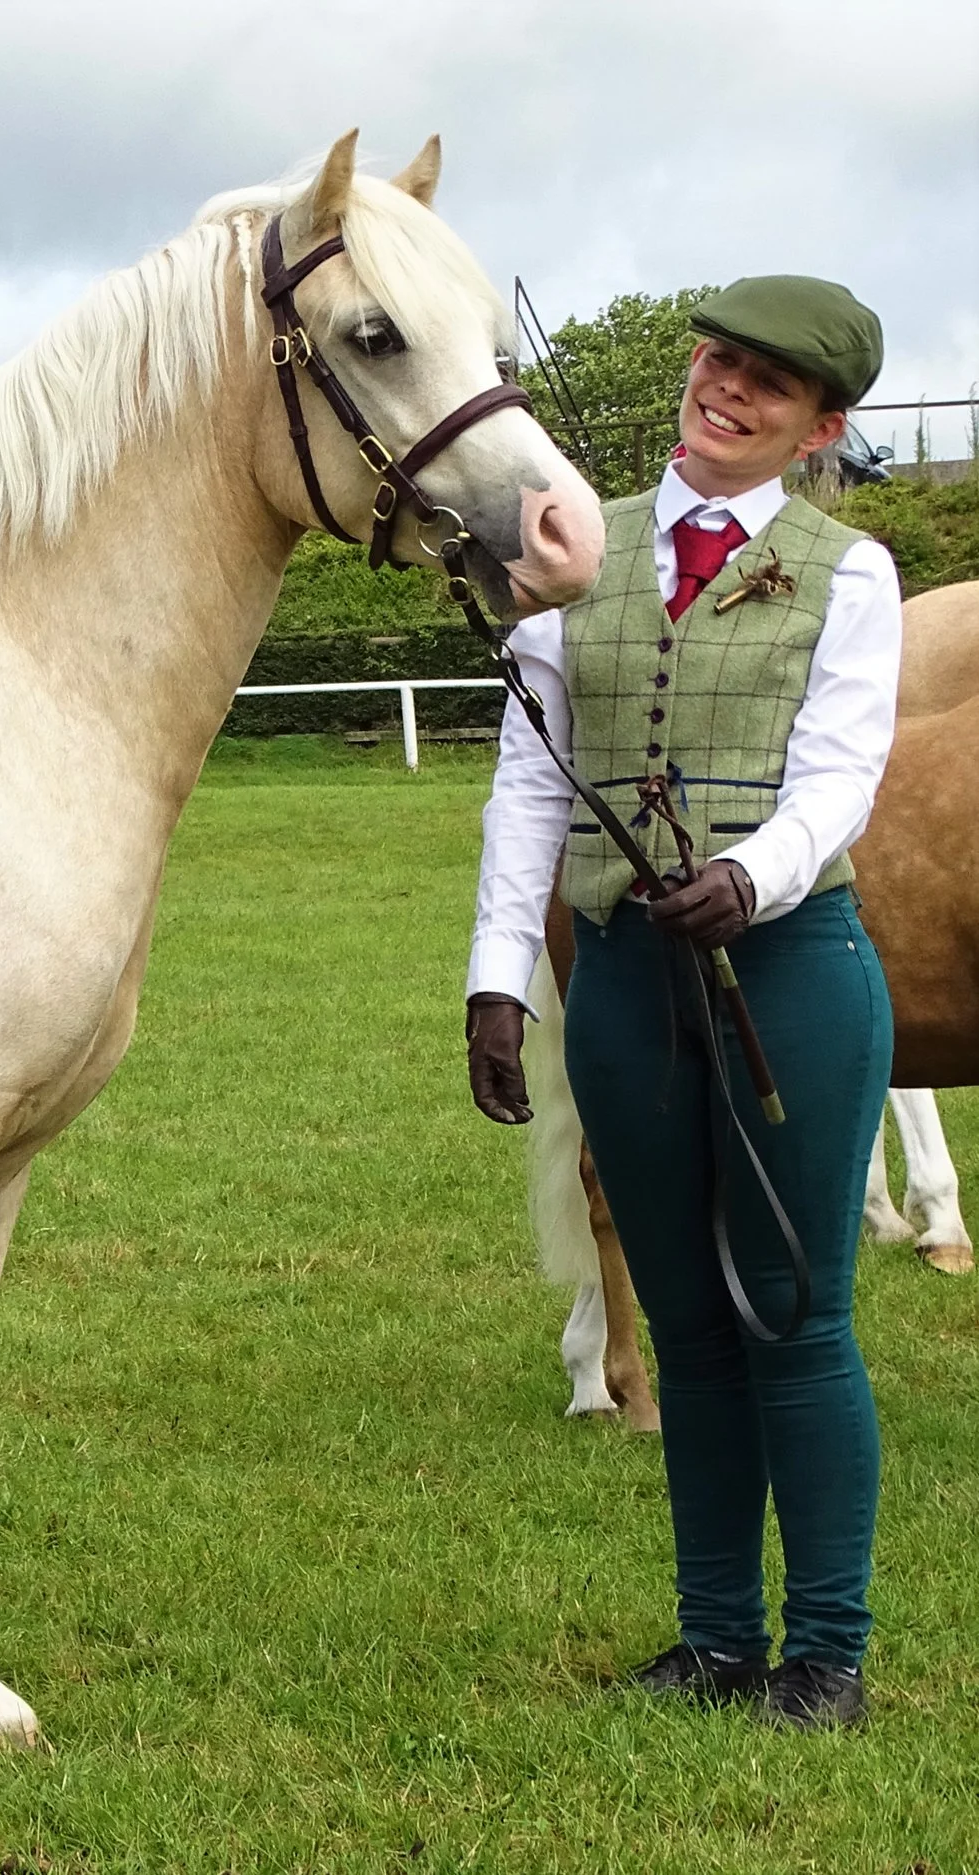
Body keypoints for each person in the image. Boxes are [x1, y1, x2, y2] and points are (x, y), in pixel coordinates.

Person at [463, 278, 900, 1731]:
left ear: (819, 426)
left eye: (768, 384)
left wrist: (754, 873)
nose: (725, 389)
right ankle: (717, 1637)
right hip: (630, 987)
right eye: (717, 359)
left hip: (790, 978)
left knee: (795, 1312)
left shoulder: (850, 573)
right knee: (693, 1327)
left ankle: (824, 1652)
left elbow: (841, 772)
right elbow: (532, 773)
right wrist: (492, 984)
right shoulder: (576, 550)